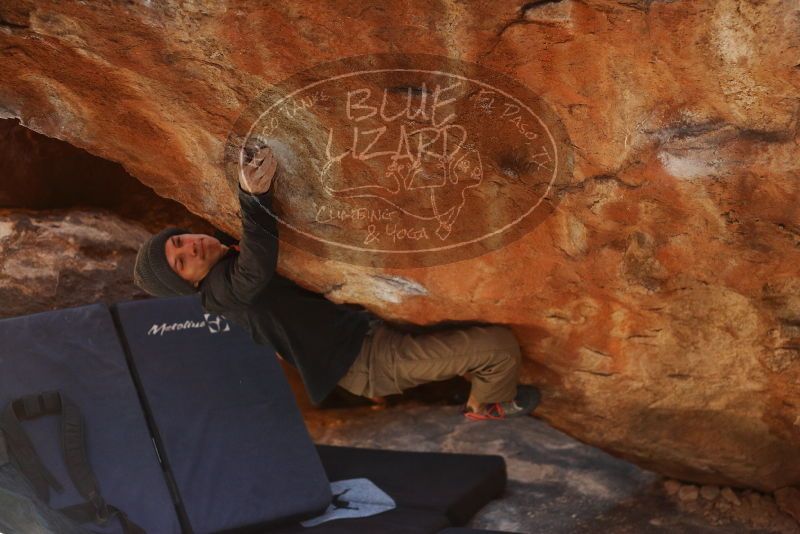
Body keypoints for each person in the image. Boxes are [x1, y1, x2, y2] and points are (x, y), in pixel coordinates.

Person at [133, 146, 540, 420]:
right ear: (190, 284)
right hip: (368, 362)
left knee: (458, 346)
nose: (191, 249)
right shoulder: (222, 295)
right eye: (181, 263)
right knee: (498, 349)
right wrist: (253, 198)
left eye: (179, 242)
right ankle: (488, 408)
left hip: (364, 332)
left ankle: (461, 386)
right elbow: (254, 270)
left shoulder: (220, 268)